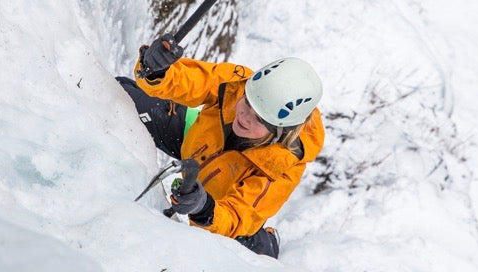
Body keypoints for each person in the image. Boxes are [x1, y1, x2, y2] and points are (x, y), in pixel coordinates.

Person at [117, 34, 325, 259]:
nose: (244, 116)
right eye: (246, 102)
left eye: (259, 120)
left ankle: (266, 242)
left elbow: (237, 214)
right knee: (121, 93)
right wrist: (157, 69)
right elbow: (192, 80)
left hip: (219, 205)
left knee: (248, 255)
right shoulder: (238, 83)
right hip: (193, 143)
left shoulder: (281, 168)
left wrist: (204, 209)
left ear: (280, 131)